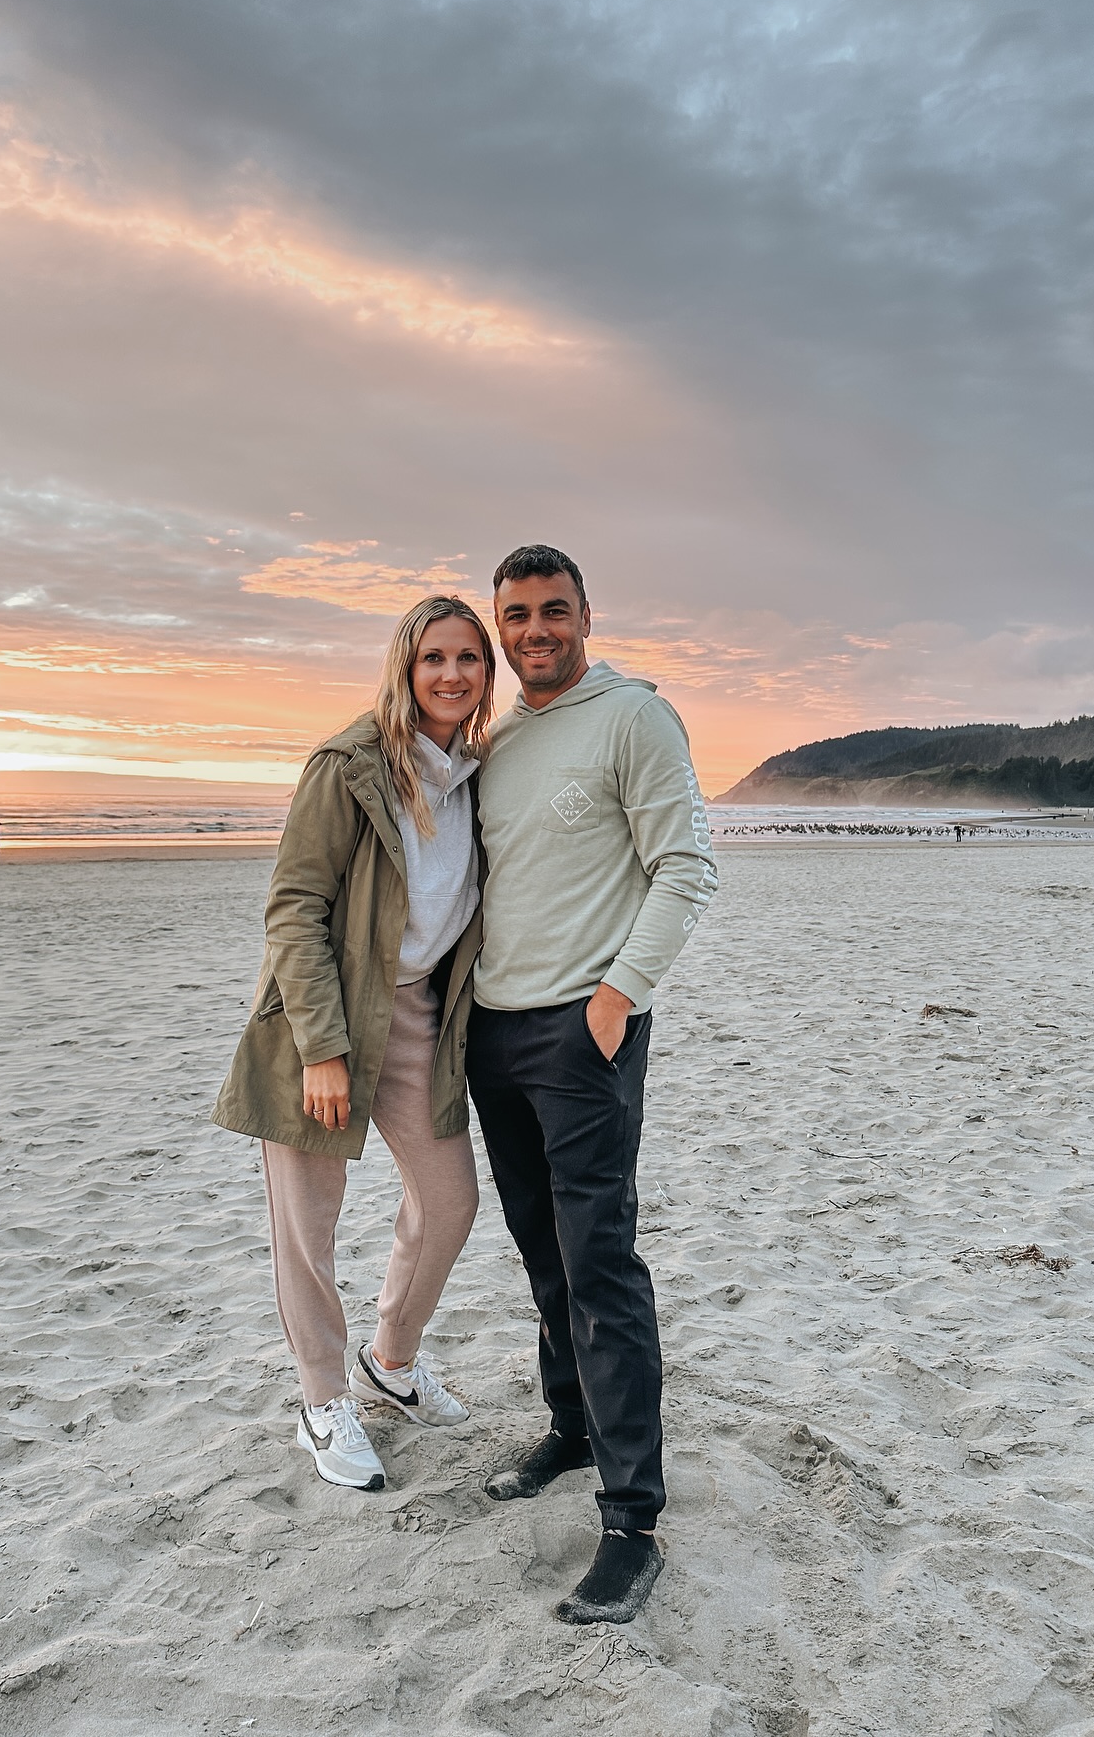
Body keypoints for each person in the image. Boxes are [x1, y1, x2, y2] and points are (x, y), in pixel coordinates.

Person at [465, 544, 718, 1626]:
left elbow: (688, 865)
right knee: (540, 1251)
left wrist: (616, 997)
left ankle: (632, 1523)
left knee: (600, 1263)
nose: (534, 631)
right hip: (493, 1033)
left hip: (584, 1035)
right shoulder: (499, 737)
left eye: (552, 610)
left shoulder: (634, 718)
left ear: (584, 615)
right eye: (515, 614)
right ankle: (572, 1429)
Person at [213, 595, 495, 1493]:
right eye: (434, 658)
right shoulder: (348, 764)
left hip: (417, 1017)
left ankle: (391, 1361)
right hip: (320, 1022)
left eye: (467, 658)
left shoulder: (476, 773)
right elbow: (294, 908)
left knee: (449, 1202)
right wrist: (323, 1048)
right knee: (307, 1228)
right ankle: (322, 1400)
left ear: (486, 674)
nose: (451, 674)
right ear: (405, 668)